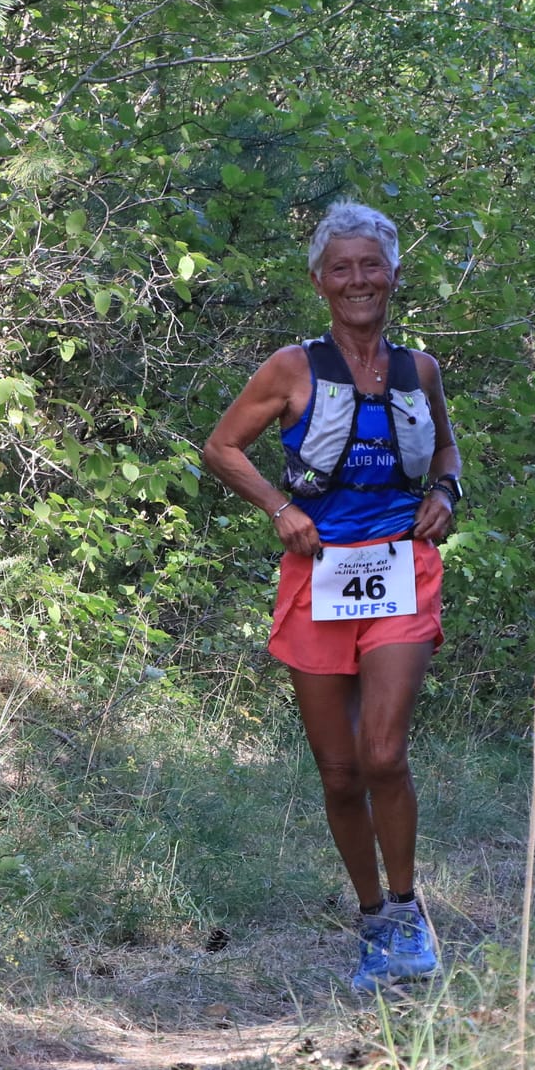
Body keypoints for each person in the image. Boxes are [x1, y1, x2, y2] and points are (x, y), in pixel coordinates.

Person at [203, 203, 463, 991]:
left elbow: (446, 447)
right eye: (341, 267)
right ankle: (372, 918)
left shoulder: (420, 370)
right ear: (319, 280)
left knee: (384, 752)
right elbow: (222, 446)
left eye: (371, 265)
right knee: (341, 769)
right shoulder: (293, 368)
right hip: (318, 573)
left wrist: (445, 492)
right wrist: (279, 509)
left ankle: (409, 914)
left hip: (401, 570)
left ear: (394, 274)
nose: (358, 280)